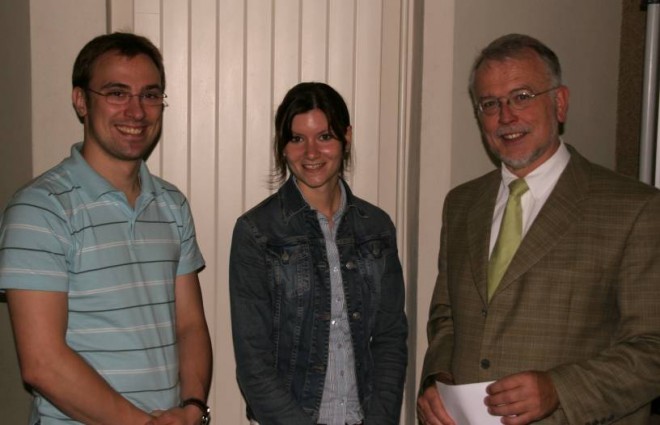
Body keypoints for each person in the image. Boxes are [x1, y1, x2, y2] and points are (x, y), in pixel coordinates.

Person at [417, 33, 660, 425]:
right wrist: (439, 379)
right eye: (490, 104)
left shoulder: (635, 209)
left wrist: (560, 389)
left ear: (559, 102)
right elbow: (446, 318)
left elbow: (653, 348)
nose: (506, 116)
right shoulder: (461, 204)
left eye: (522, 96)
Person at [0, 33, 212, 425]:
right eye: (117, 93)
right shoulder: (39, 209)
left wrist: (193, 408)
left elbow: (190, 325)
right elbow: (42, 363)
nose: (136, 112)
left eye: (150, 95)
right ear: (81, 100)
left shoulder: (172, 204)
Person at [229, 82, 408, 425]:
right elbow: (253, 360)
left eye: (324, 136)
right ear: (282, 147)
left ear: (347, 137)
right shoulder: (256, 232)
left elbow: (390, 339)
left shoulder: (377, 227)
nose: (311, 153)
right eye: (297, 139)